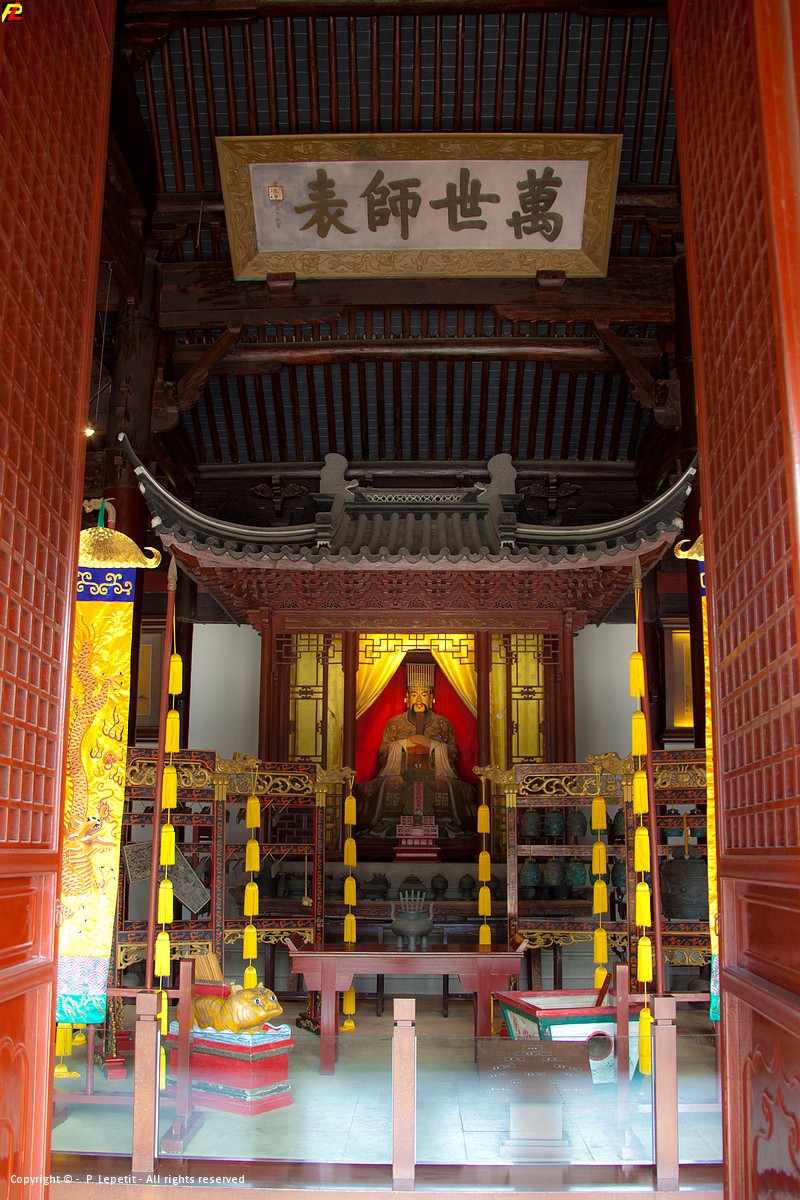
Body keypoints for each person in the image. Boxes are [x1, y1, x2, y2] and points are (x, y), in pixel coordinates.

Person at [356, 663, 476, 837]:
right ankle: (388, 825)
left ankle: (445, 826)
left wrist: (433, 745)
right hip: (400, 772)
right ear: (407, 698)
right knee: (391, 784)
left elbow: (454, 754)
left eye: (424, 694)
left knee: (443, 784)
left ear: (431, 698)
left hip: (436, 772)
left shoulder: (442, 723)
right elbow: (382, 753)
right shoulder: (395, 723)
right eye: (414, 694)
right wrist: (404, 744)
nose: (419, 700)